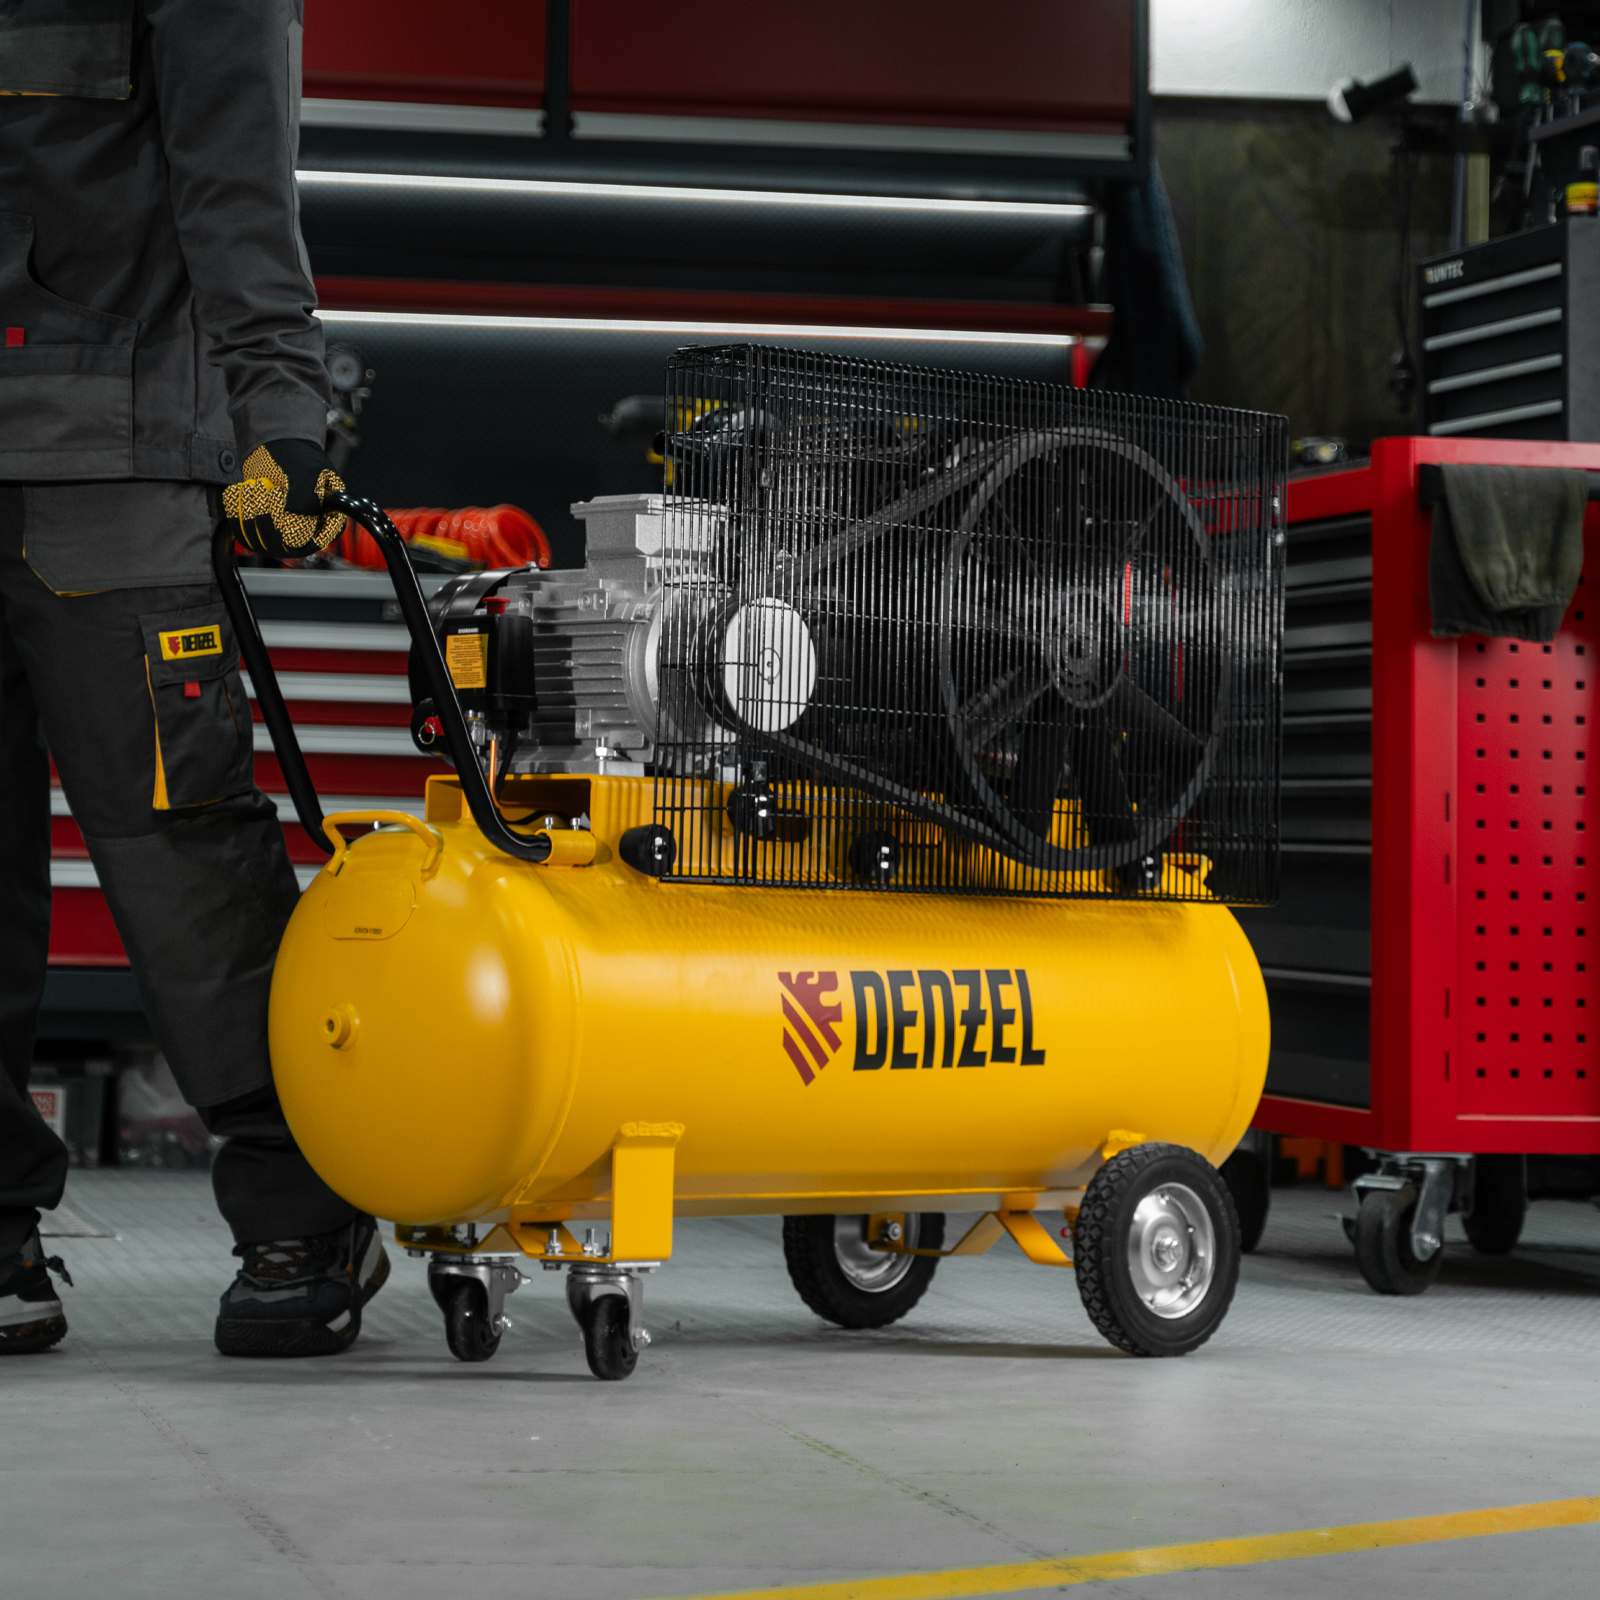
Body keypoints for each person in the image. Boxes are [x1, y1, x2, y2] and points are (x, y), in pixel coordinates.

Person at [0, 1, 388, 1357]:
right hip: (87, 454)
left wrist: (281, 409)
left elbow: (237, 185)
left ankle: (303, 1211)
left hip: (114, 459)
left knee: (180, 853)